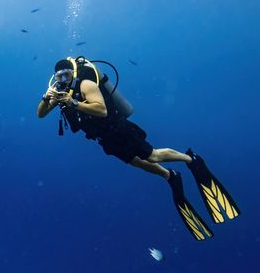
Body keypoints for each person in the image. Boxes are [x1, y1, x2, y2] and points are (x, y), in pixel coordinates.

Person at [37, 56, 240, 240]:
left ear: (72, 73)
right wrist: (47, 98)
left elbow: (101, 109)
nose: (63, 79)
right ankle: (171, 176)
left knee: (151, 155)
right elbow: (40, 114)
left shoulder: (86, 84)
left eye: (66, 74)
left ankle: (191, 159)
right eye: (59, 76)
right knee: (136, 162)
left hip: (118, 128)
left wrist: (74, 103)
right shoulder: (60, 94)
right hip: (105, 139)